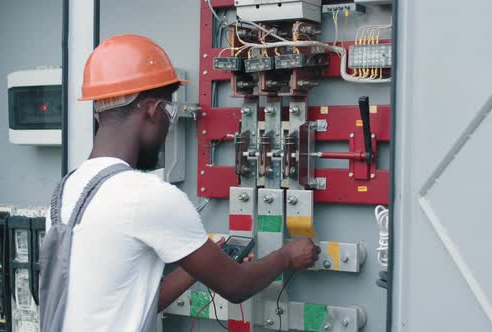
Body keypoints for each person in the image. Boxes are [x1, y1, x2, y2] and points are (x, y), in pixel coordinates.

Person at [39, 34, 320, 332]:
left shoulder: (67, 190)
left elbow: (139, 300)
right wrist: (287, 257)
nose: (168, 127)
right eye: (169, 112)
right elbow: (236, 286)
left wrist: (196, 264)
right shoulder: (147, 195)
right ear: (151, 110)